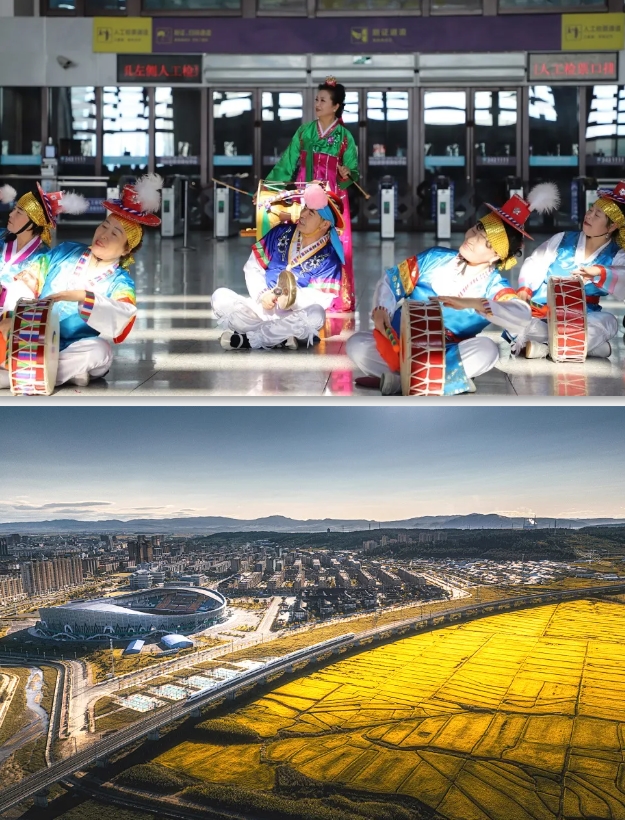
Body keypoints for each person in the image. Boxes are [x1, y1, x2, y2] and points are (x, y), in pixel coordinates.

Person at [347, 184, 560, 395]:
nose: (472, 238)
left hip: (443, 354)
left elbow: (521, 314)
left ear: (496, 255)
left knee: (487, 351)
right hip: (400, 343)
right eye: (477, 228)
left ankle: (401, 382)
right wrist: (382, 309)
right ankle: (441, 382)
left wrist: (474, 303)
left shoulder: (493, 286)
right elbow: (391, 282)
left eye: (484, 241)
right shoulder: (434, 257)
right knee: (356, 345)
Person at [0, 174, 162, 390]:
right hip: (31, 337)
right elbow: (29, 278)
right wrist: (14, 317)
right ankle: (57, 373)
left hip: (72, 347)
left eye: (115, 233)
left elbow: (123, 315)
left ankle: (17, 375)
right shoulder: (67, 250)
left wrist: (81, 296)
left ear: (126, 249)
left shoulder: (120, 282)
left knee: (100, 353)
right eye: (104, 226)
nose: (104, 235)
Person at [263, 76, 359, 312]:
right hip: (305, 198)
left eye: (323, 100)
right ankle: (291, 290)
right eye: (317, 99)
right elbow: (286, 163)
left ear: (335, 106)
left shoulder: (345, 137)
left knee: (336, 246)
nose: (317, 103)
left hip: (333, 202)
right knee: (301, 241)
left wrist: (347, 173)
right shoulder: (305, 132)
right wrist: (270, 190)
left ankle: (335, 296)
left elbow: (353, 172)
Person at [214, 183, 344, 351]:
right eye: (304, 208)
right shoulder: (280, 232)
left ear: (325, 224)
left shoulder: (330, 257)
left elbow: (321, 299)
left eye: (310, 213)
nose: (302, 214)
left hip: (293, 316)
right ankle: (278, 338)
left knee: (316, 314)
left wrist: (288, 298)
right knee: (220, 297)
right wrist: (262, 295)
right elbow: (253, 267)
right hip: (262, 309)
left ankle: (251, 339)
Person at [511, 181, 625, 359]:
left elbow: (623, 275)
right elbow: (535, 262)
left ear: (612, 226)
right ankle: (582, 347)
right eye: (590, 209)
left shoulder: (616, 254)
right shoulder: (563, 239)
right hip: (544, 311)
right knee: (515, 319)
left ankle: (547, 348)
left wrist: (600, 272)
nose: (589, 215)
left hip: (583, 316)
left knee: (609, 322)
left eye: (597, 214)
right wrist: (525, 289)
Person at [0, 183, 87, 306]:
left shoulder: (42, 258)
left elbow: (27, 299)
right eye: (14, 209)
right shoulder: (2, 236)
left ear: (34, 222)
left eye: (19, 212)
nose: (11, 214)